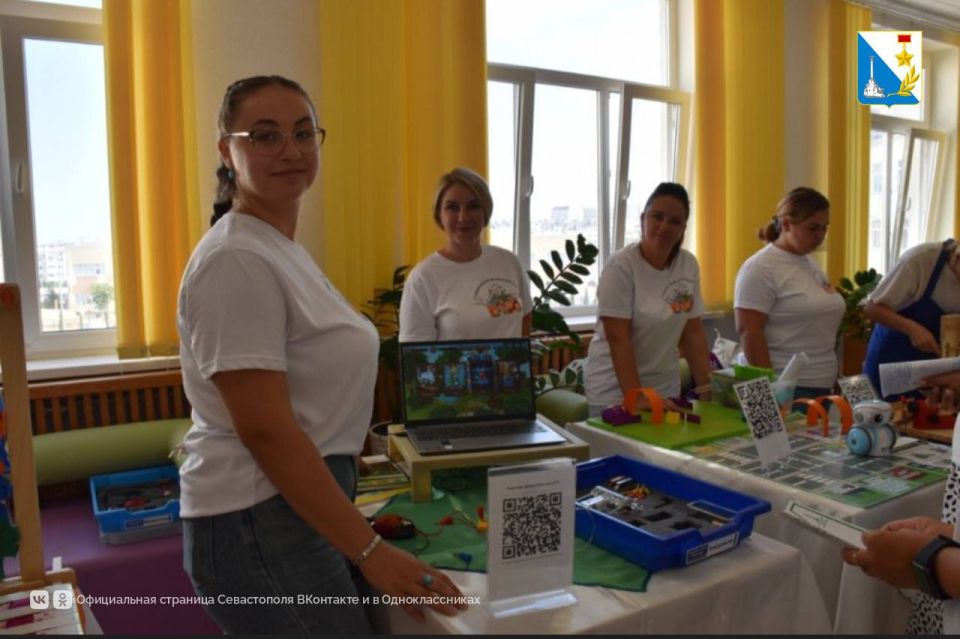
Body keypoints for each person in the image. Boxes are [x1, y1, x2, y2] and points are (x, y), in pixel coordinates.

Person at [177, 76, 465, 635]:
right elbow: (266, 432)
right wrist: (371, 551)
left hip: (292, 504)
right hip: (254, 516)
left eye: (303, 133)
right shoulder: (235, 258)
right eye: (264, 136)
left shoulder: (277, 249)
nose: (290, 149)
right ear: (226, 151)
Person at [584, 182, 713, 416]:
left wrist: (707, 388)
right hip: (615, 392)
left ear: (683, 228)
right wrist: (637, 397)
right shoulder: (621, 266)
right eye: (657, 217)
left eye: (674, 221)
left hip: (665, 389)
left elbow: (692, 333)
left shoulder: (688, 265)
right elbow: (618, 338)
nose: (664, 226)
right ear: (643, 219)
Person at [398, 167, 532, 342]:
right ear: (439, 214)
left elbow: (525, 317)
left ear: (486, 211)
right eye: (452, 207)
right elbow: (416, 358)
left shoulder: (508, 262)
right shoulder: (423, 279)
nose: (463, 217)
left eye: (473, 206)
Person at [734, 187, 844, 398]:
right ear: (786, 225)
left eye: (824, 227)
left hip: (821, 385)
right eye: (812, 228)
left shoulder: (810, 264)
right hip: (786, 388)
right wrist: (771, 391)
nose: (820, 235)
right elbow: (749, 332)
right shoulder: (760, 268)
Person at [863, 239, 960, 400]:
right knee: (881, 418)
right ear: (957, 258)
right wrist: (912, 328)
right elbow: (872, 309)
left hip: (938, 376)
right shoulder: (921, 260)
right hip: (893, 361)